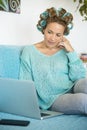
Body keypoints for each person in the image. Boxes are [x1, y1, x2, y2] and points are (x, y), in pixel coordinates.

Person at [19, 7, 87, 115]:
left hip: (73, 86)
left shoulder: (65, 50)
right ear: (43, 29)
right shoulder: (29, 51)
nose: (53, 38)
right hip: (53, 99)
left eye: (58, 35)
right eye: (50, 32)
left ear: (63, 36)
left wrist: (71, 51)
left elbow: (79, 77)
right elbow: (25, 82)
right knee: (84, 101)